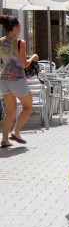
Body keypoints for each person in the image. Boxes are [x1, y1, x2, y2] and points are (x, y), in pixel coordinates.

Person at [0, 15, 39, 148]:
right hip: (17, 80)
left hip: (4, 80)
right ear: (15, 27)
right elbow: (23, 64)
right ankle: (16, 131)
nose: (21, 28)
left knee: (10, 111)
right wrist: (33, 57)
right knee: (28, 107)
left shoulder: (0, 41)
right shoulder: (19, 42)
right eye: (20, 26)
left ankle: (5, 140)